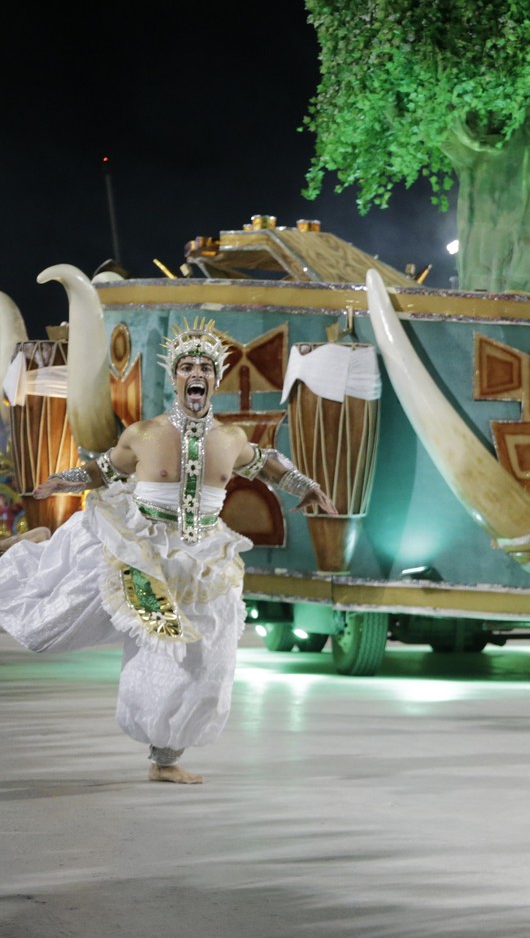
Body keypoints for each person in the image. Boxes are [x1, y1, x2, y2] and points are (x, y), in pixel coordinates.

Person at [0, 318, 334, 783]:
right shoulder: (144, 433)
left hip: (203, 562)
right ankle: (27, 554)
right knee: (47, 628)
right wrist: (66, 479)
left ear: (214, 379)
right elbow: (105, 470)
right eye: (186, 366)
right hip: (139, 551)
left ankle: (165, 758)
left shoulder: (231, 439)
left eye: (204, 367)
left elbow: (268, 464)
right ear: (176, 376)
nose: (195, 373)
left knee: (203, 659)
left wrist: (308, 486)